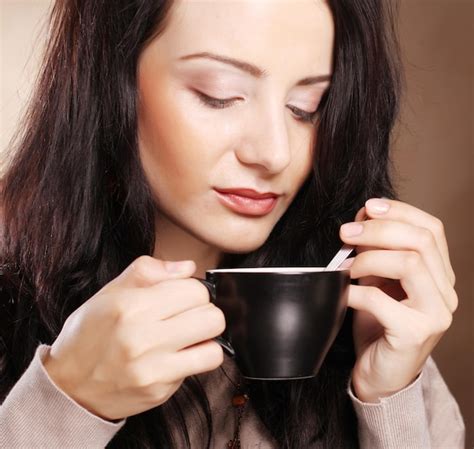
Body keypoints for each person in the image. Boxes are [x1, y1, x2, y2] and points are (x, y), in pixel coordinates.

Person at [0, 0, 466, 448]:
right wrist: (65, 403)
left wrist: (389, 398)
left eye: (307, 106)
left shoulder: (367, 321)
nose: (274, 154)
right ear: (106, 81)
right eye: (220, 95)